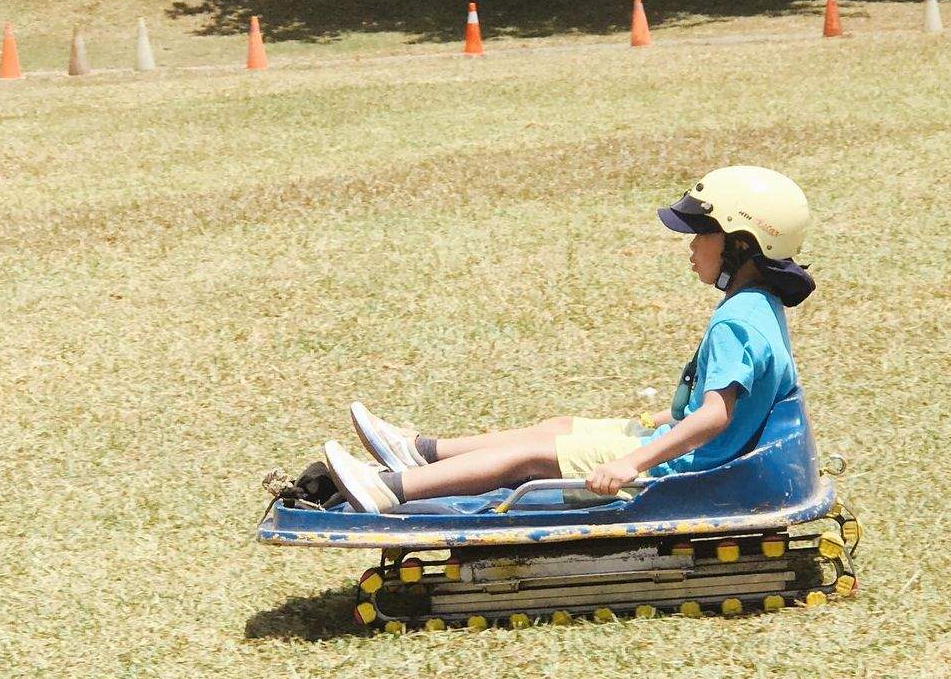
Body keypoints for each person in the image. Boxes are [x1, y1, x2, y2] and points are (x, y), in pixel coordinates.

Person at [323, 166, 817, 514]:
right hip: (681, 448)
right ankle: (424, 451)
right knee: (557, 426)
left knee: (530, 458)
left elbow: (717, 414)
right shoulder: (758, 307)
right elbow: (722, 406)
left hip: (681, 469)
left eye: (701, 233)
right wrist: (644, 424)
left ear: (740, 243)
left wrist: (630, 461)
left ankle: (392, 489)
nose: (690, 246)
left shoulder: (735, 322)